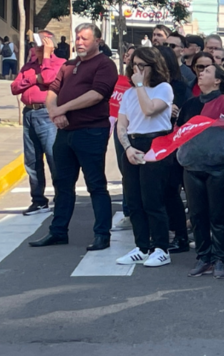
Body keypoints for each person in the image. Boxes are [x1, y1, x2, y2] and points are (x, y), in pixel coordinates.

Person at [30, 23, 118, 251]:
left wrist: (63, 108)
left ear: (97, 41)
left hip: (91, 131)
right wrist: (54, 112)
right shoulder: (69, 65)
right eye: (77, 37)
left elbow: (96, 94)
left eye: (85, 38)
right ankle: (58, 231)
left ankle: (101, 234)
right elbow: (53, 91)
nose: (79, 42)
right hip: (65, 132)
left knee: (95, 184)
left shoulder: (105, 65)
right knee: (62, 183)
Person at [177, 63, 224, 278]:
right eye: (200, 70)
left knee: (218, 215)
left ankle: (220, 258)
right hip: (192, 166)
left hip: (218, 167)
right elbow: (178, 133)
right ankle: (203, 257)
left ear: (218, 81)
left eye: (207, 71)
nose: (201, 73)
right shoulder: (190, 104)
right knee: (197, 214)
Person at [114, 47, 176, 268]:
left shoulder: (163, 89)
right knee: (134, 200)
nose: (136, 70)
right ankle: (141, 246)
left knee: (153, 199)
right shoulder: (129, 93)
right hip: (133, 143)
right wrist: (128, 147)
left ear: (153, 66)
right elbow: (122, 124)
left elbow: (149, 110)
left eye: (142, 65)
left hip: (156, 143)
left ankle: (161, 247)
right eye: (134, 65)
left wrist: (140, 85)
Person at [11, 32, 64, 216]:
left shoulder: (59, 63)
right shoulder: (29, 66)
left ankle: (61, 197)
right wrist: (34, 79)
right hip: (29, 113)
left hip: (46, 113)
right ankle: (38, 200)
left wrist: (47, 58)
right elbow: (15, 87)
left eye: (41, 45)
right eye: (35, 45)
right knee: (32, 161)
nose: (36, 49)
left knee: (53, 157)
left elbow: (49, 78)